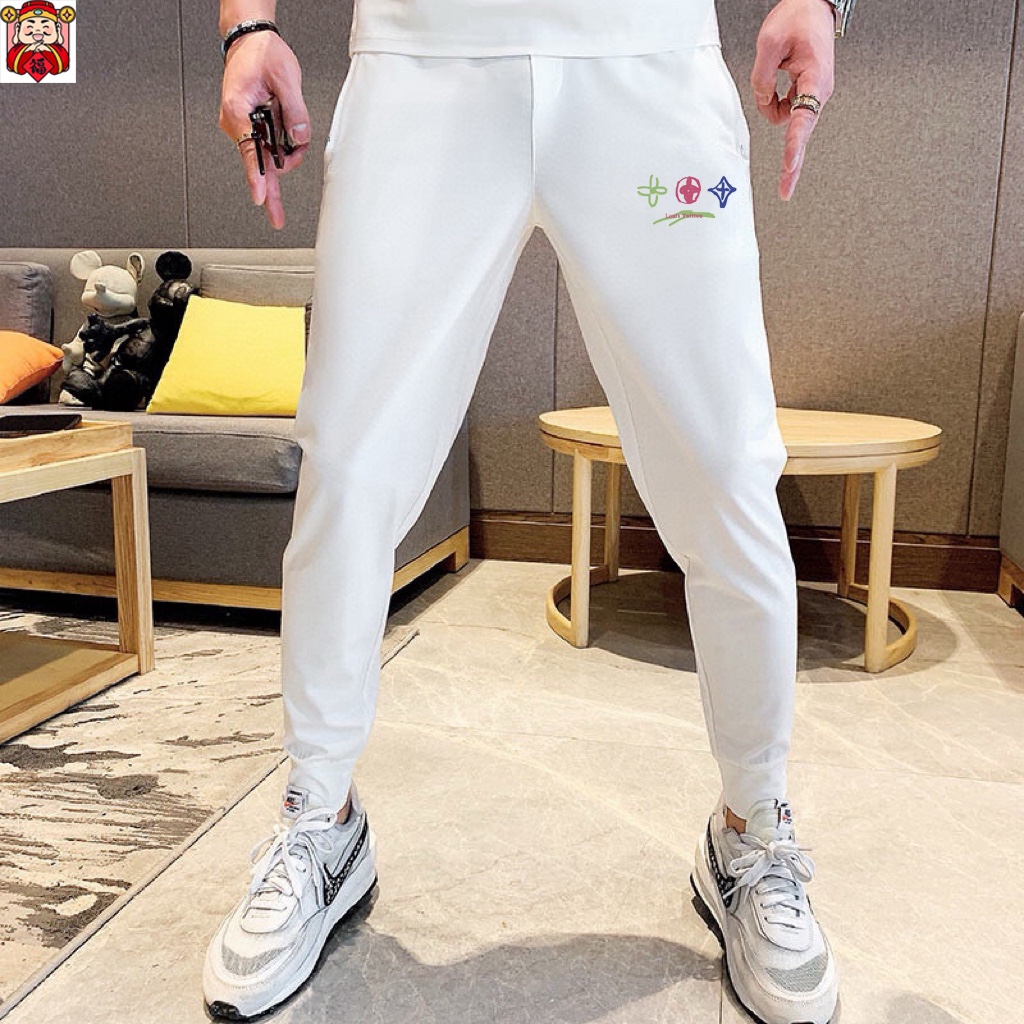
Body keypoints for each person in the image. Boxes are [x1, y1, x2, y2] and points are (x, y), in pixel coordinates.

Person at [203, 0, 852, 1021]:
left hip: (648, 63)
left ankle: (751, 828)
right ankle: (319, 815)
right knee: (350, 462)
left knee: (727, 464)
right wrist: (248, 25)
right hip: (422, 64)